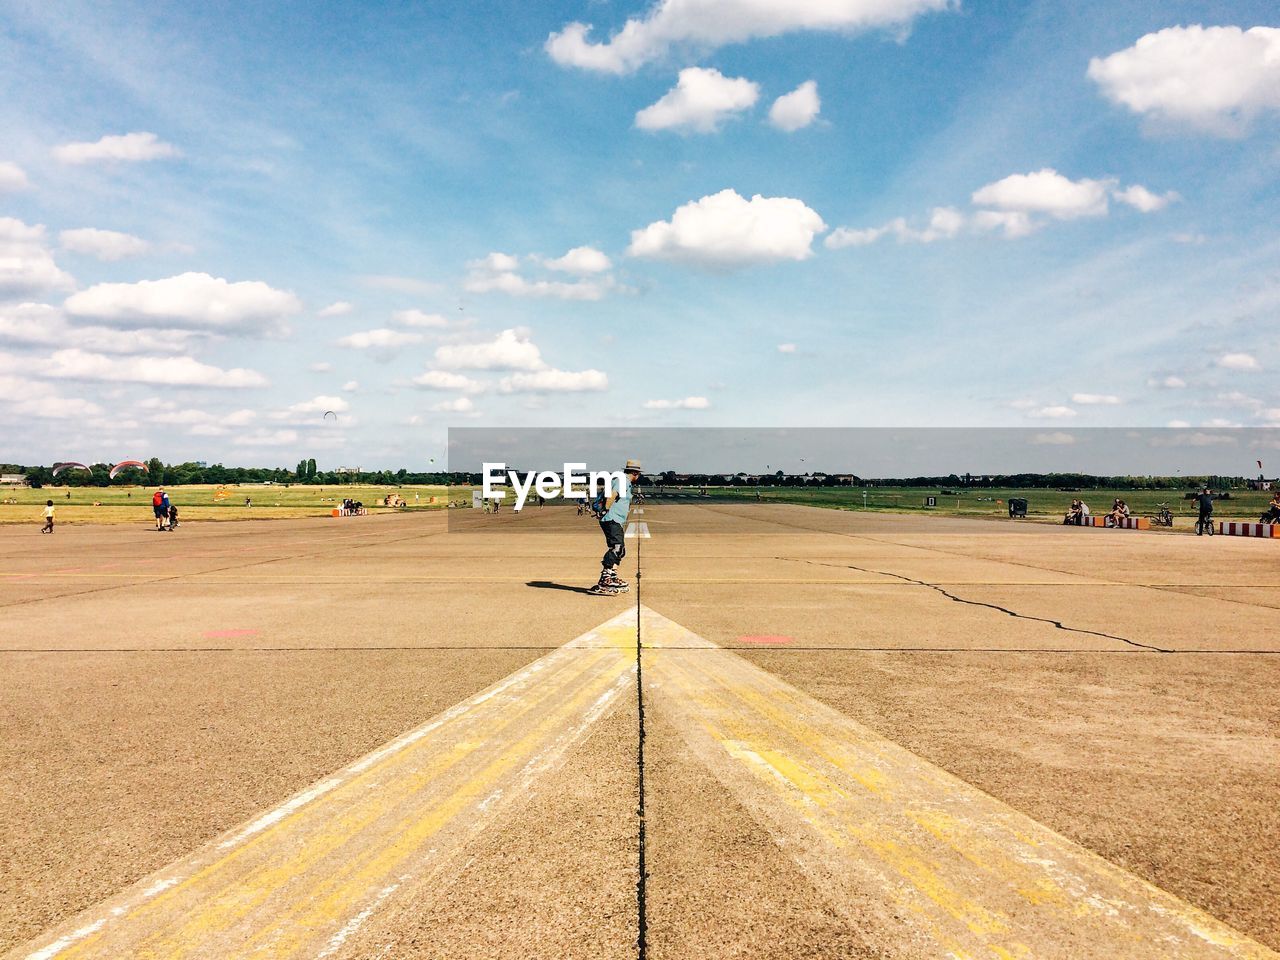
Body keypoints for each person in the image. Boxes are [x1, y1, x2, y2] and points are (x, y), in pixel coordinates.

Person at [589, 459, 642, 596]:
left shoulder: (625, 481)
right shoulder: (622, 480)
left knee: (620, 550)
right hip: (611, 518)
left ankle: (612, 576)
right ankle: (605, 580)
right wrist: (605, 510)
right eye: (639, 473)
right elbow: (612, 495)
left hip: (616, 520)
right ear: (635, 473)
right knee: (616, 548)